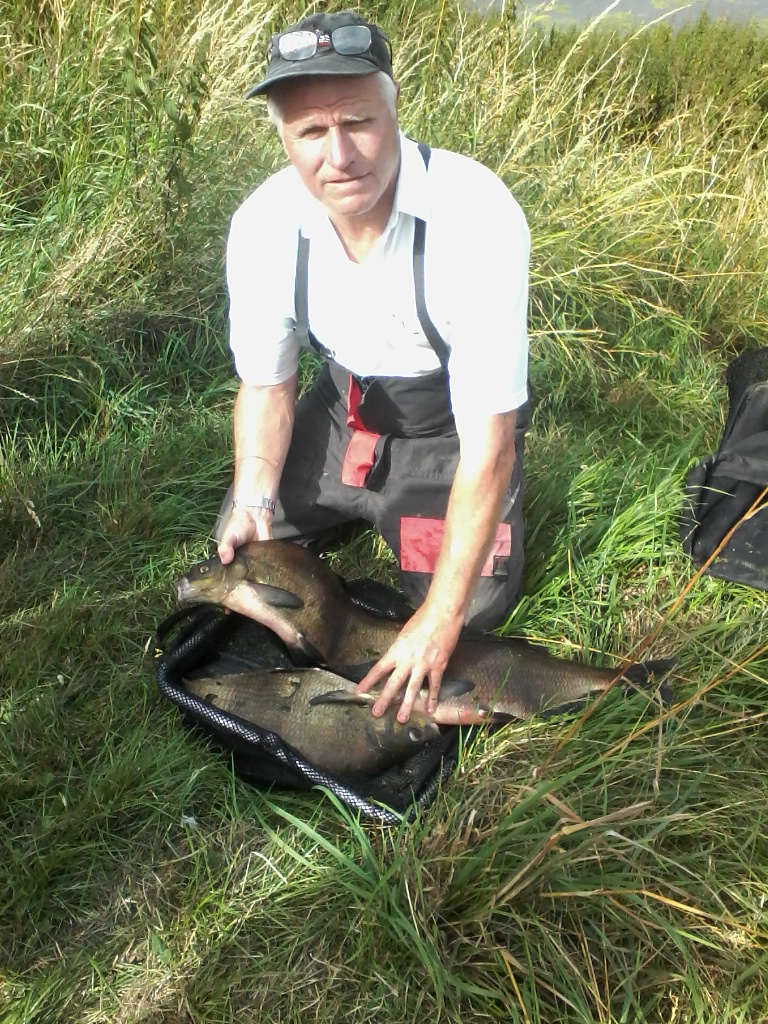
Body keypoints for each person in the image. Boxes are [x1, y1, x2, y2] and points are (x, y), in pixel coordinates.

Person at [214, 10, 531, 724]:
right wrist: (256, 497)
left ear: (394, 109)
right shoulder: (263, 227)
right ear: (284, 138)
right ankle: (342, 511)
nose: (339, 156)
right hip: (344, 408)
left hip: (451, 426)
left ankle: (417, 528)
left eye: (357, 122)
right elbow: (267, 386)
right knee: (244, 549)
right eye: (311, 133)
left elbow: (491, 446)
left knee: (476, 605)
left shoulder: (475, 219)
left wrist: (440, 621)